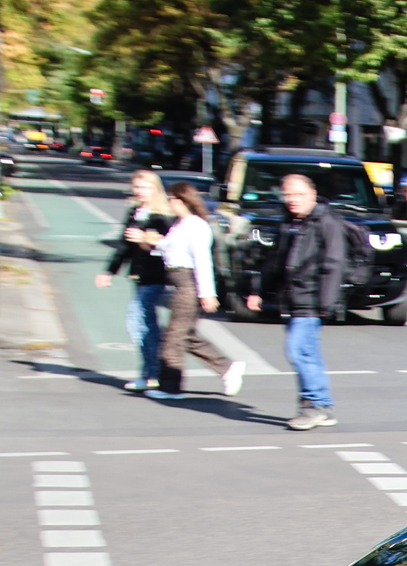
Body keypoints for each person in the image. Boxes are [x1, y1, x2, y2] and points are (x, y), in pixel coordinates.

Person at [246, 171, 359, 431]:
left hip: (312, 298)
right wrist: (258, 290)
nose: (292, 199)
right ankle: (322, 405)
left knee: (297, 350)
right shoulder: (290, 222)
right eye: (288, 194)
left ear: (313, 195)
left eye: (299, 194)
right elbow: (274, 262)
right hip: (293, 297)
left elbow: (334, 263)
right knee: (308, 353)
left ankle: (315, 405)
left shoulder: (327, 222)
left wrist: (326, 304)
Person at [150, 182, 246, 401]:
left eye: (171, 199)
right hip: (180, 282)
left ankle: (170, 387)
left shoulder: (196, 225)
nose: (168, 203)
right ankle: (228, 368)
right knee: (185, 334)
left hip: (188, 284)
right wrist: (156, 243)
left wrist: (207, 293)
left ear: (182, 200)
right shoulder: (181, 224)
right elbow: (172, 249)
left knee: (174, 336)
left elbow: (202, 260)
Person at [95, 169, 173, 394]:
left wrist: (147, 240)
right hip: (140, 277)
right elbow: (124, 246)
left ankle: (151, 372)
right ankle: (152, 371)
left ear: (156, 189)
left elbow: (169, 247)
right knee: (146, 326)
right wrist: (109, 271)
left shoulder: (162, 216)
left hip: (157, 277)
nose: (141, 192)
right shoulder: (136, 213)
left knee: (138, 322)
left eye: (146, 188)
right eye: (137, 187)